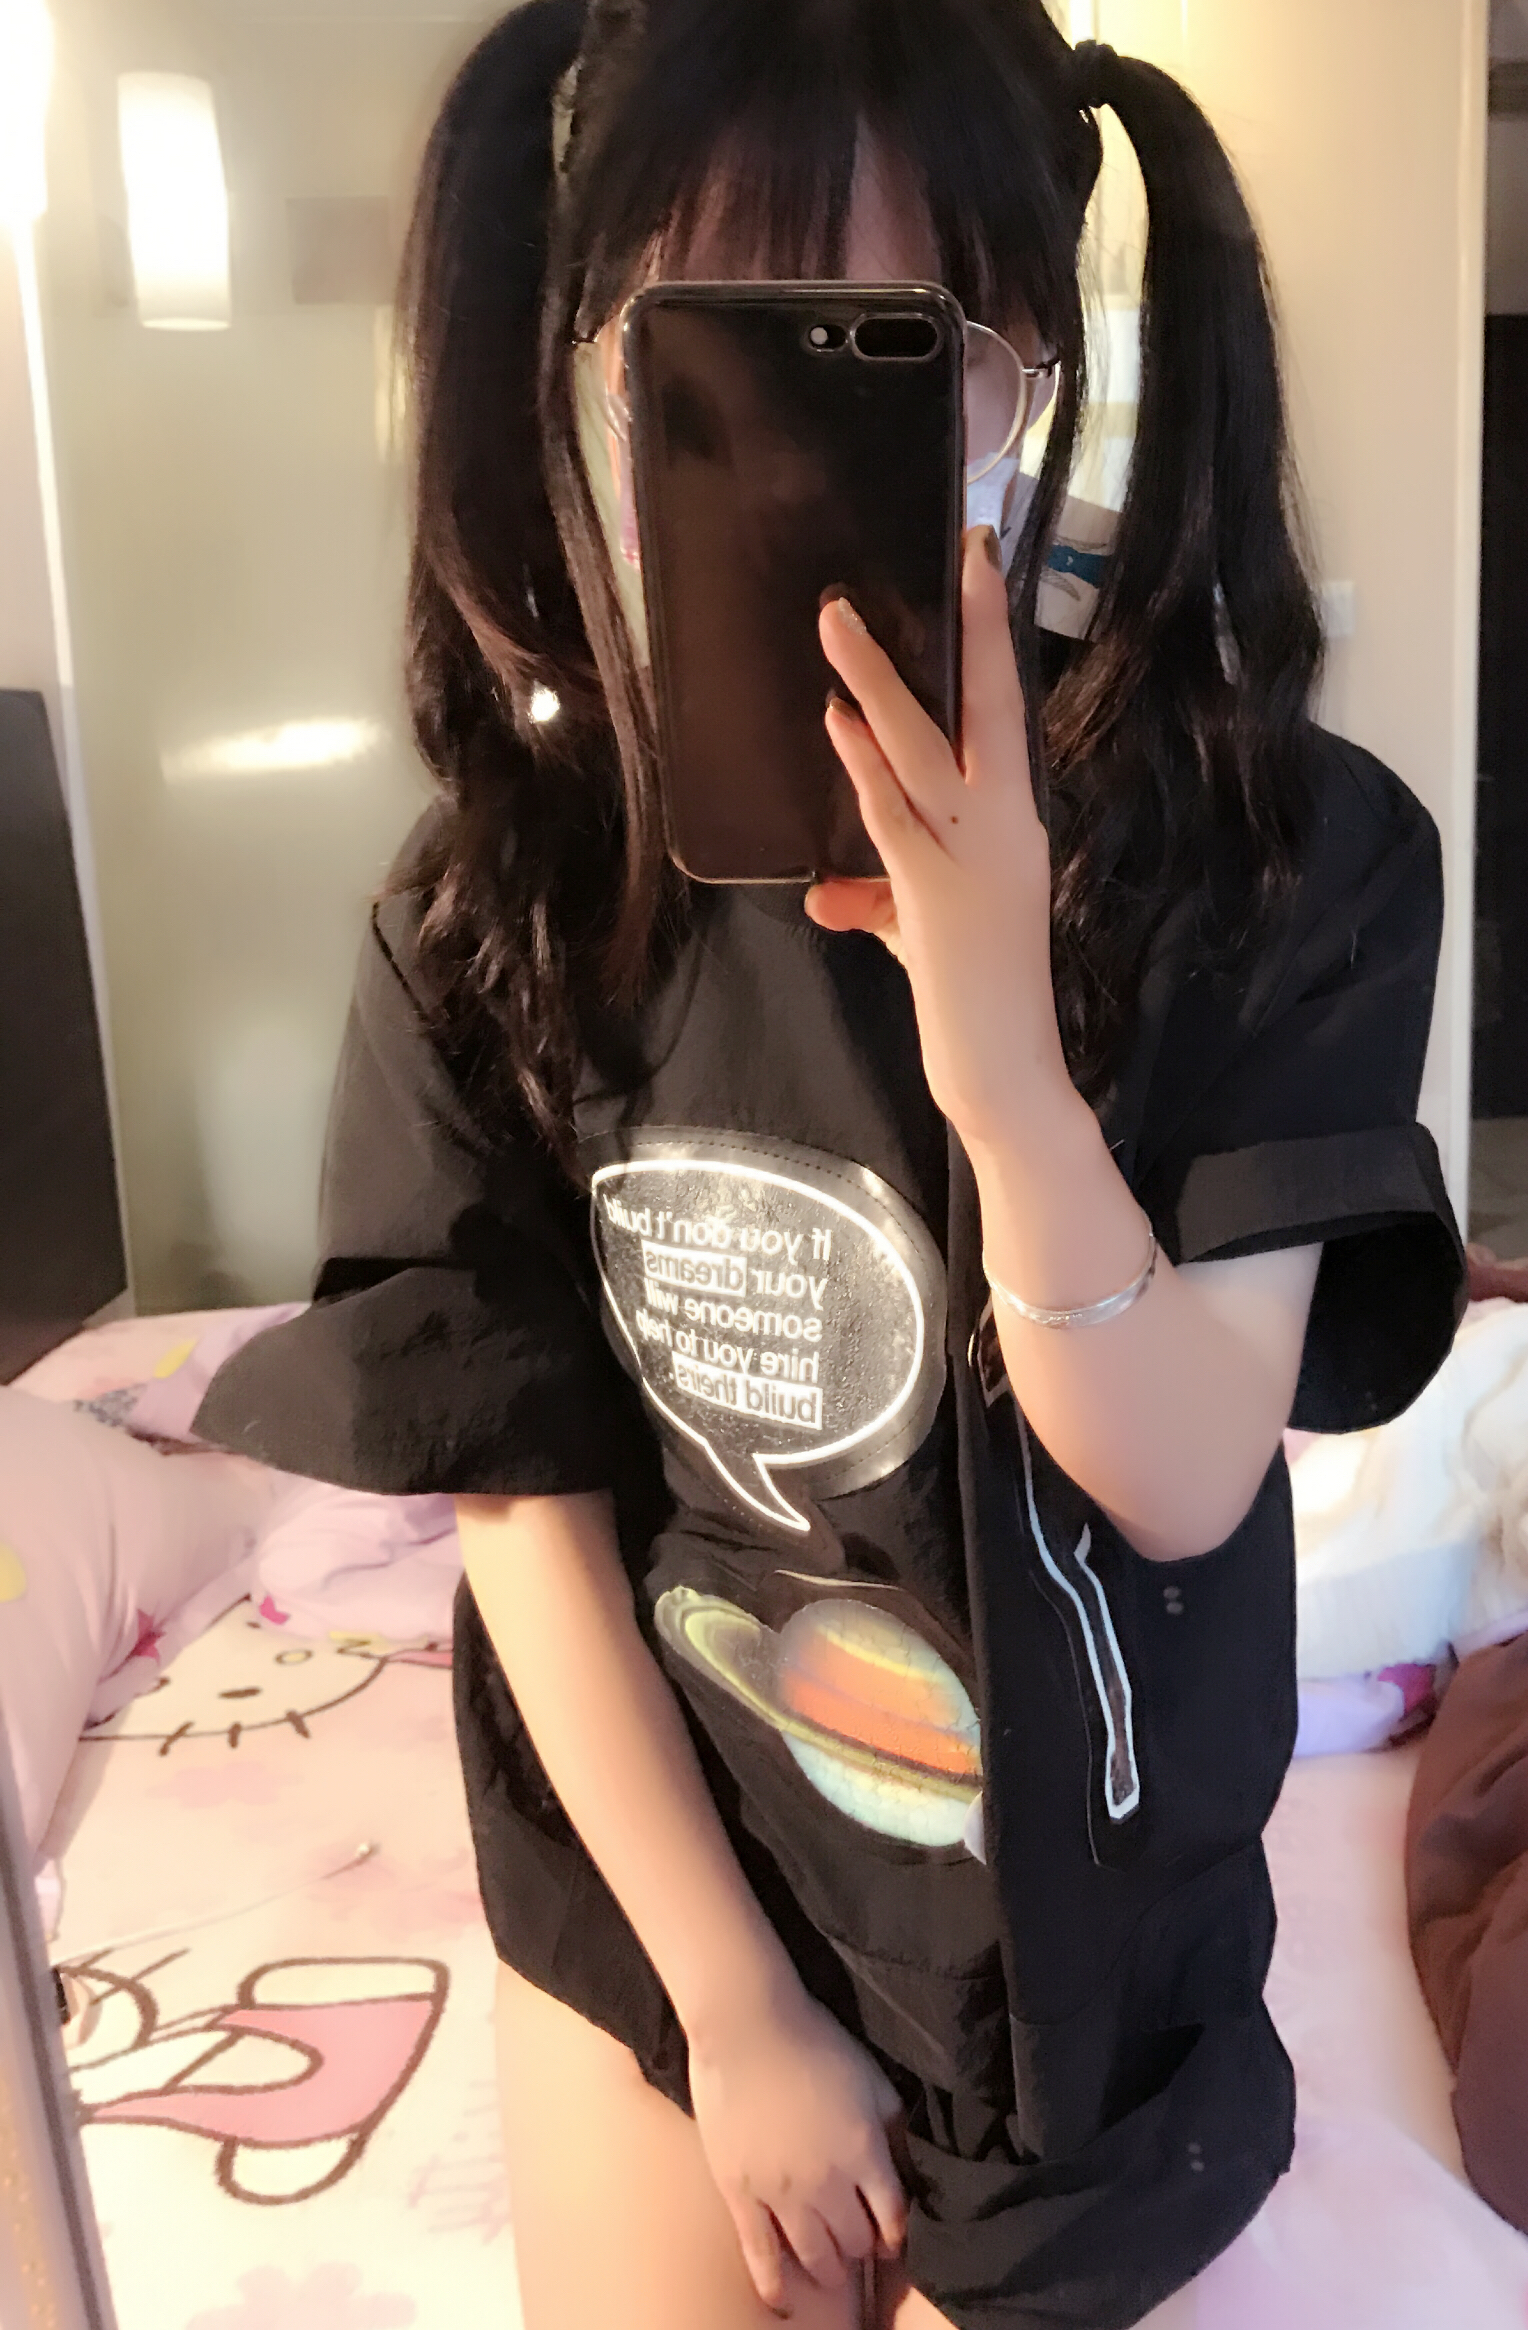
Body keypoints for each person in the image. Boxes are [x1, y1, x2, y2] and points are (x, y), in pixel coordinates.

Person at [196, 3, 1467, 2324]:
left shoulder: (1273, 862)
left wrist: (999, 1053)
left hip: (1080, 1959)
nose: (799, 445)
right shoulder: (495, 904)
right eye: (715, 349)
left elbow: (1180, 1473)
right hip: (672, 1883)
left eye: (895, 353)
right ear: (590, 370)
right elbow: (523, 1506)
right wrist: (730, 2010)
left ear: (1026, 368)